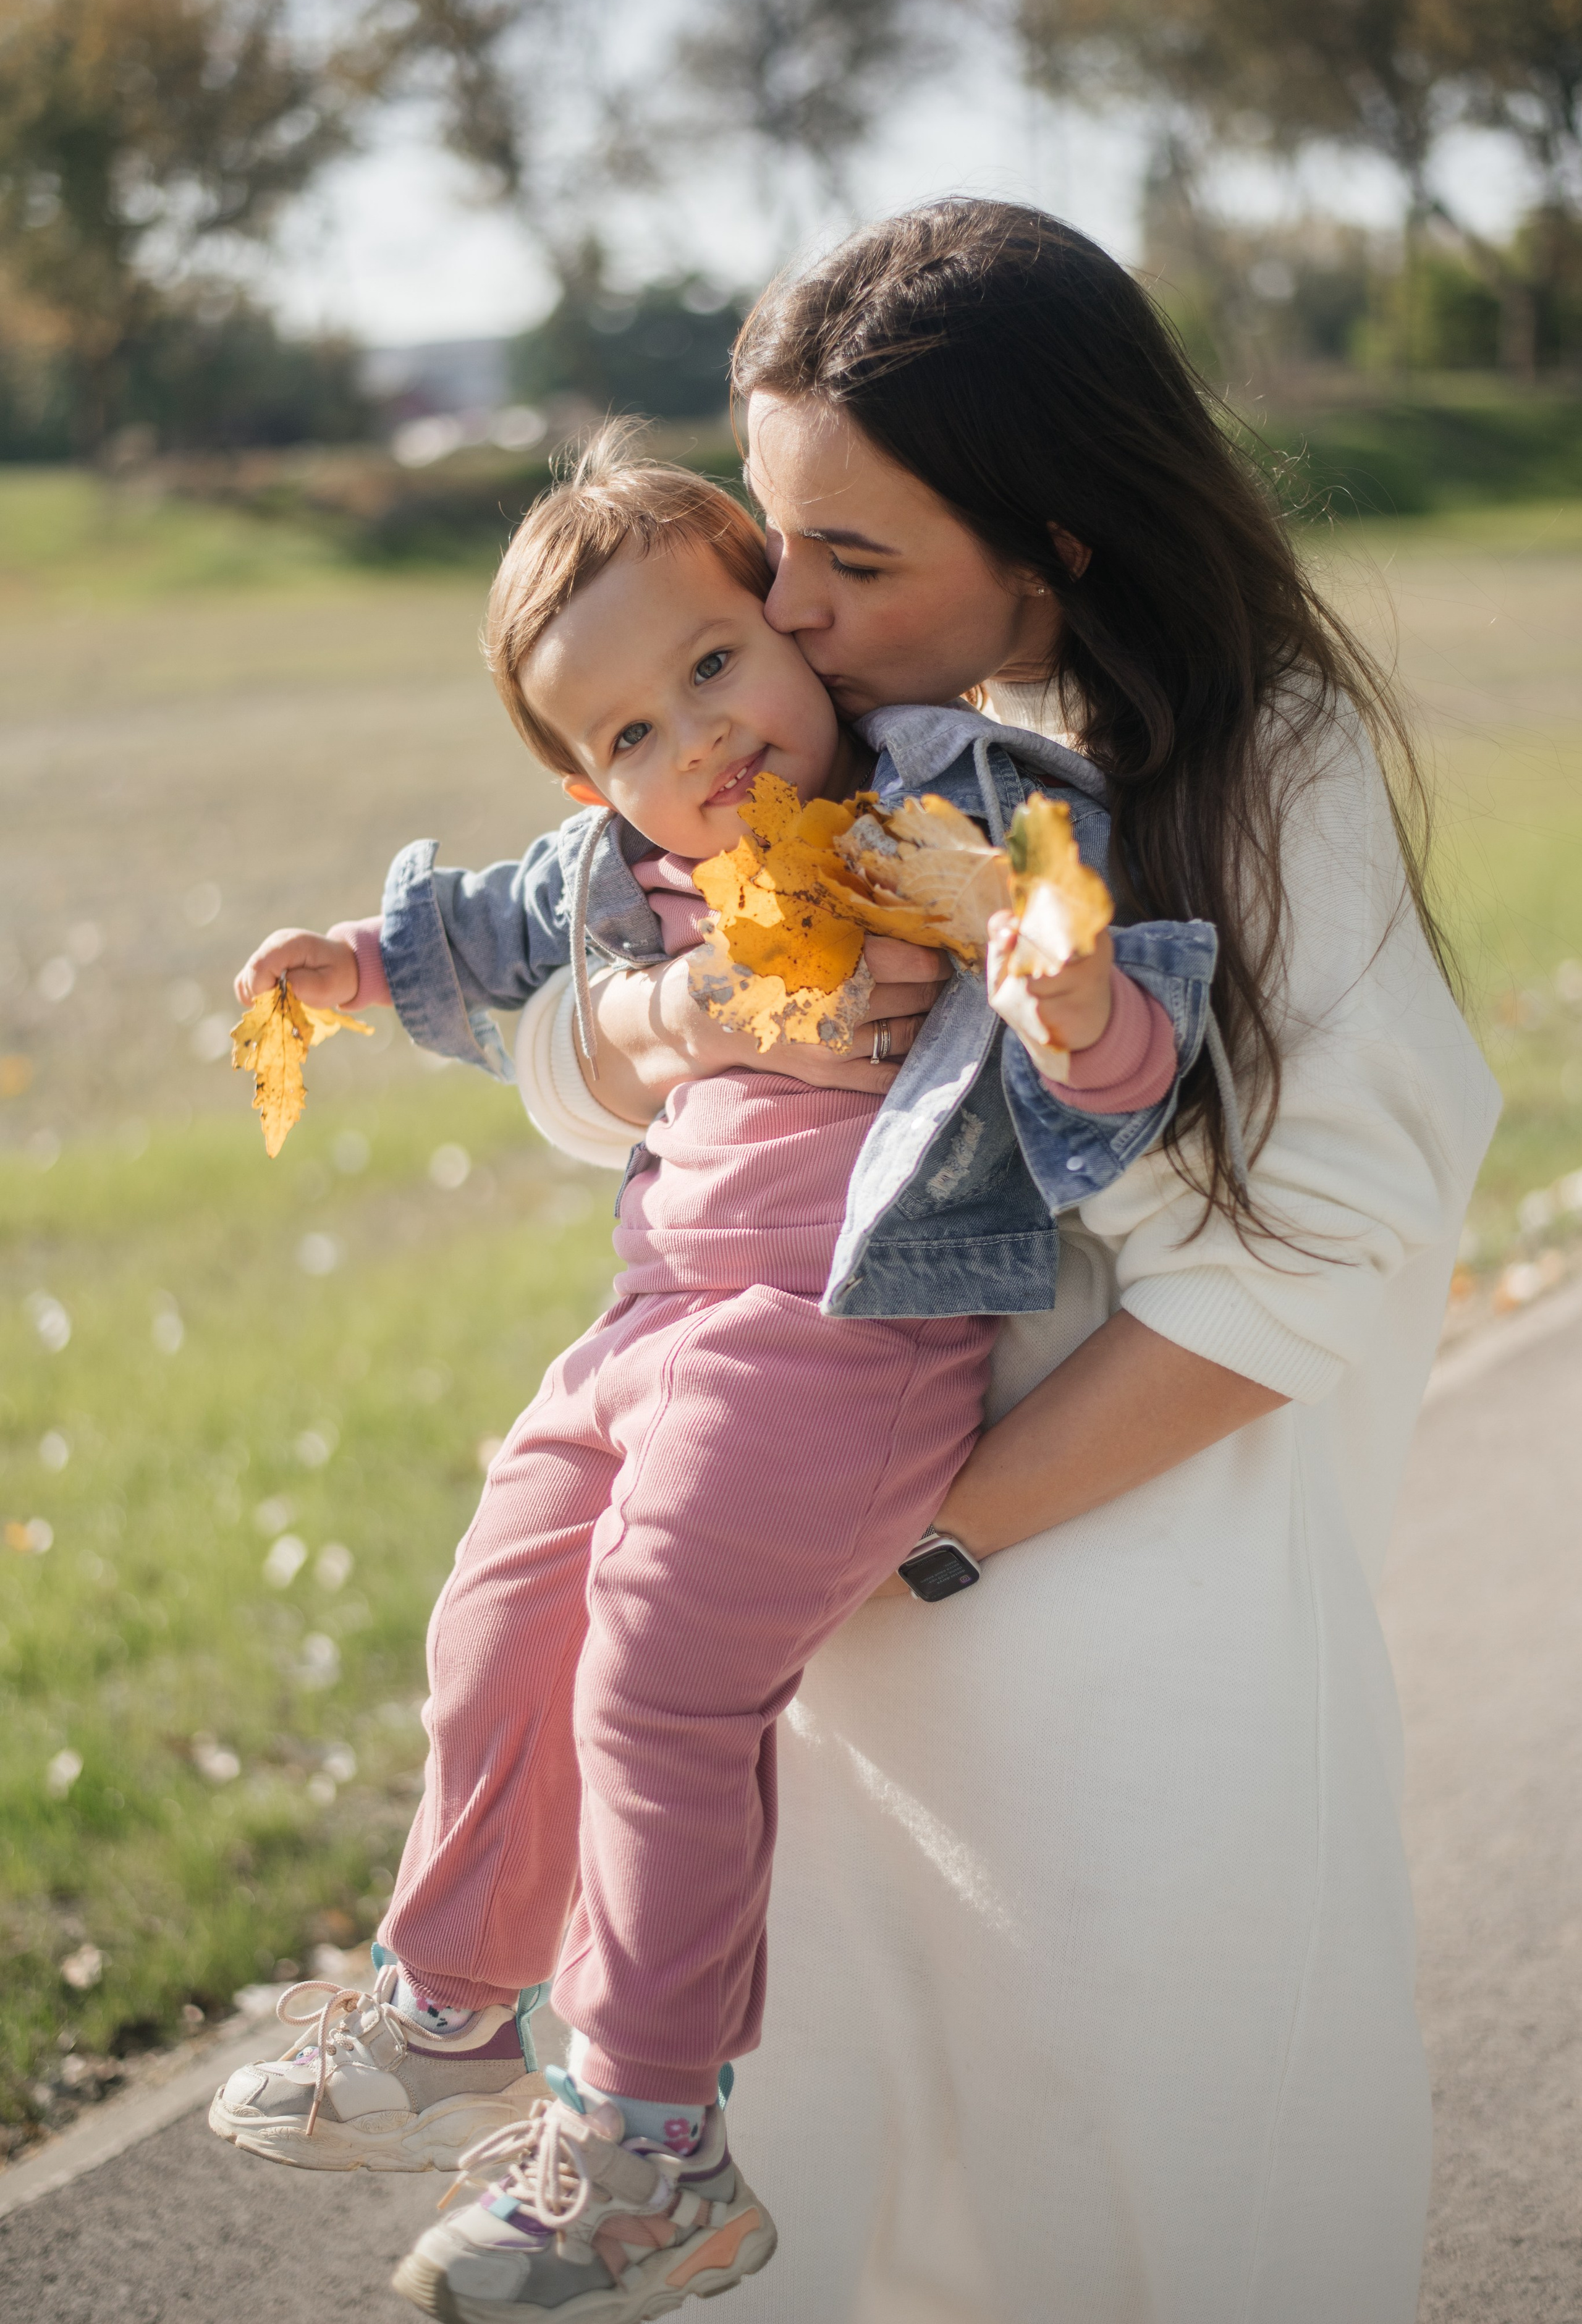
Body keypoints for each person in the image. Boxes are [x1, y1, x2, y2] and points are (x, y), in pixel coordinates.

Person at [493, 201, 1501, 2324]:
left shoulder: (1258, 767)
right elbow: (577, 1028)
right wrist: (672, 1028)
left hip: (1116, 1610)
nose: (786, 607)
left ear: (1055, 550)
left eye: (856, 561)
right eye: (778, 535)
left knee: (1132, 2193)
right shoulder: (825, 732)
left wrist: (933, 1536)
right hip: (828, 1595)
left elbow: (1319, 1253)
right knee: (837, 2163)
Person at [212, 426, 1210, 2318]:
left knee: (662, 1660)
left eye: (710, 665)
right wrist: (345, 968)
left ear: (781, 616)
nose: (697, 747)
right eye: (629, 740)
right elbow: (476, 933)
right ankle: (449, 2004)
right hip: (649, 1315)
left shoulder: (951, 803)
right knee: (501, 1598)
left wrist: (1074, 995)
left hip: (844, 1321)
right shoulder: (621, 873)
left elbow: (1126, 1039)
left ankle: (655, 2140)